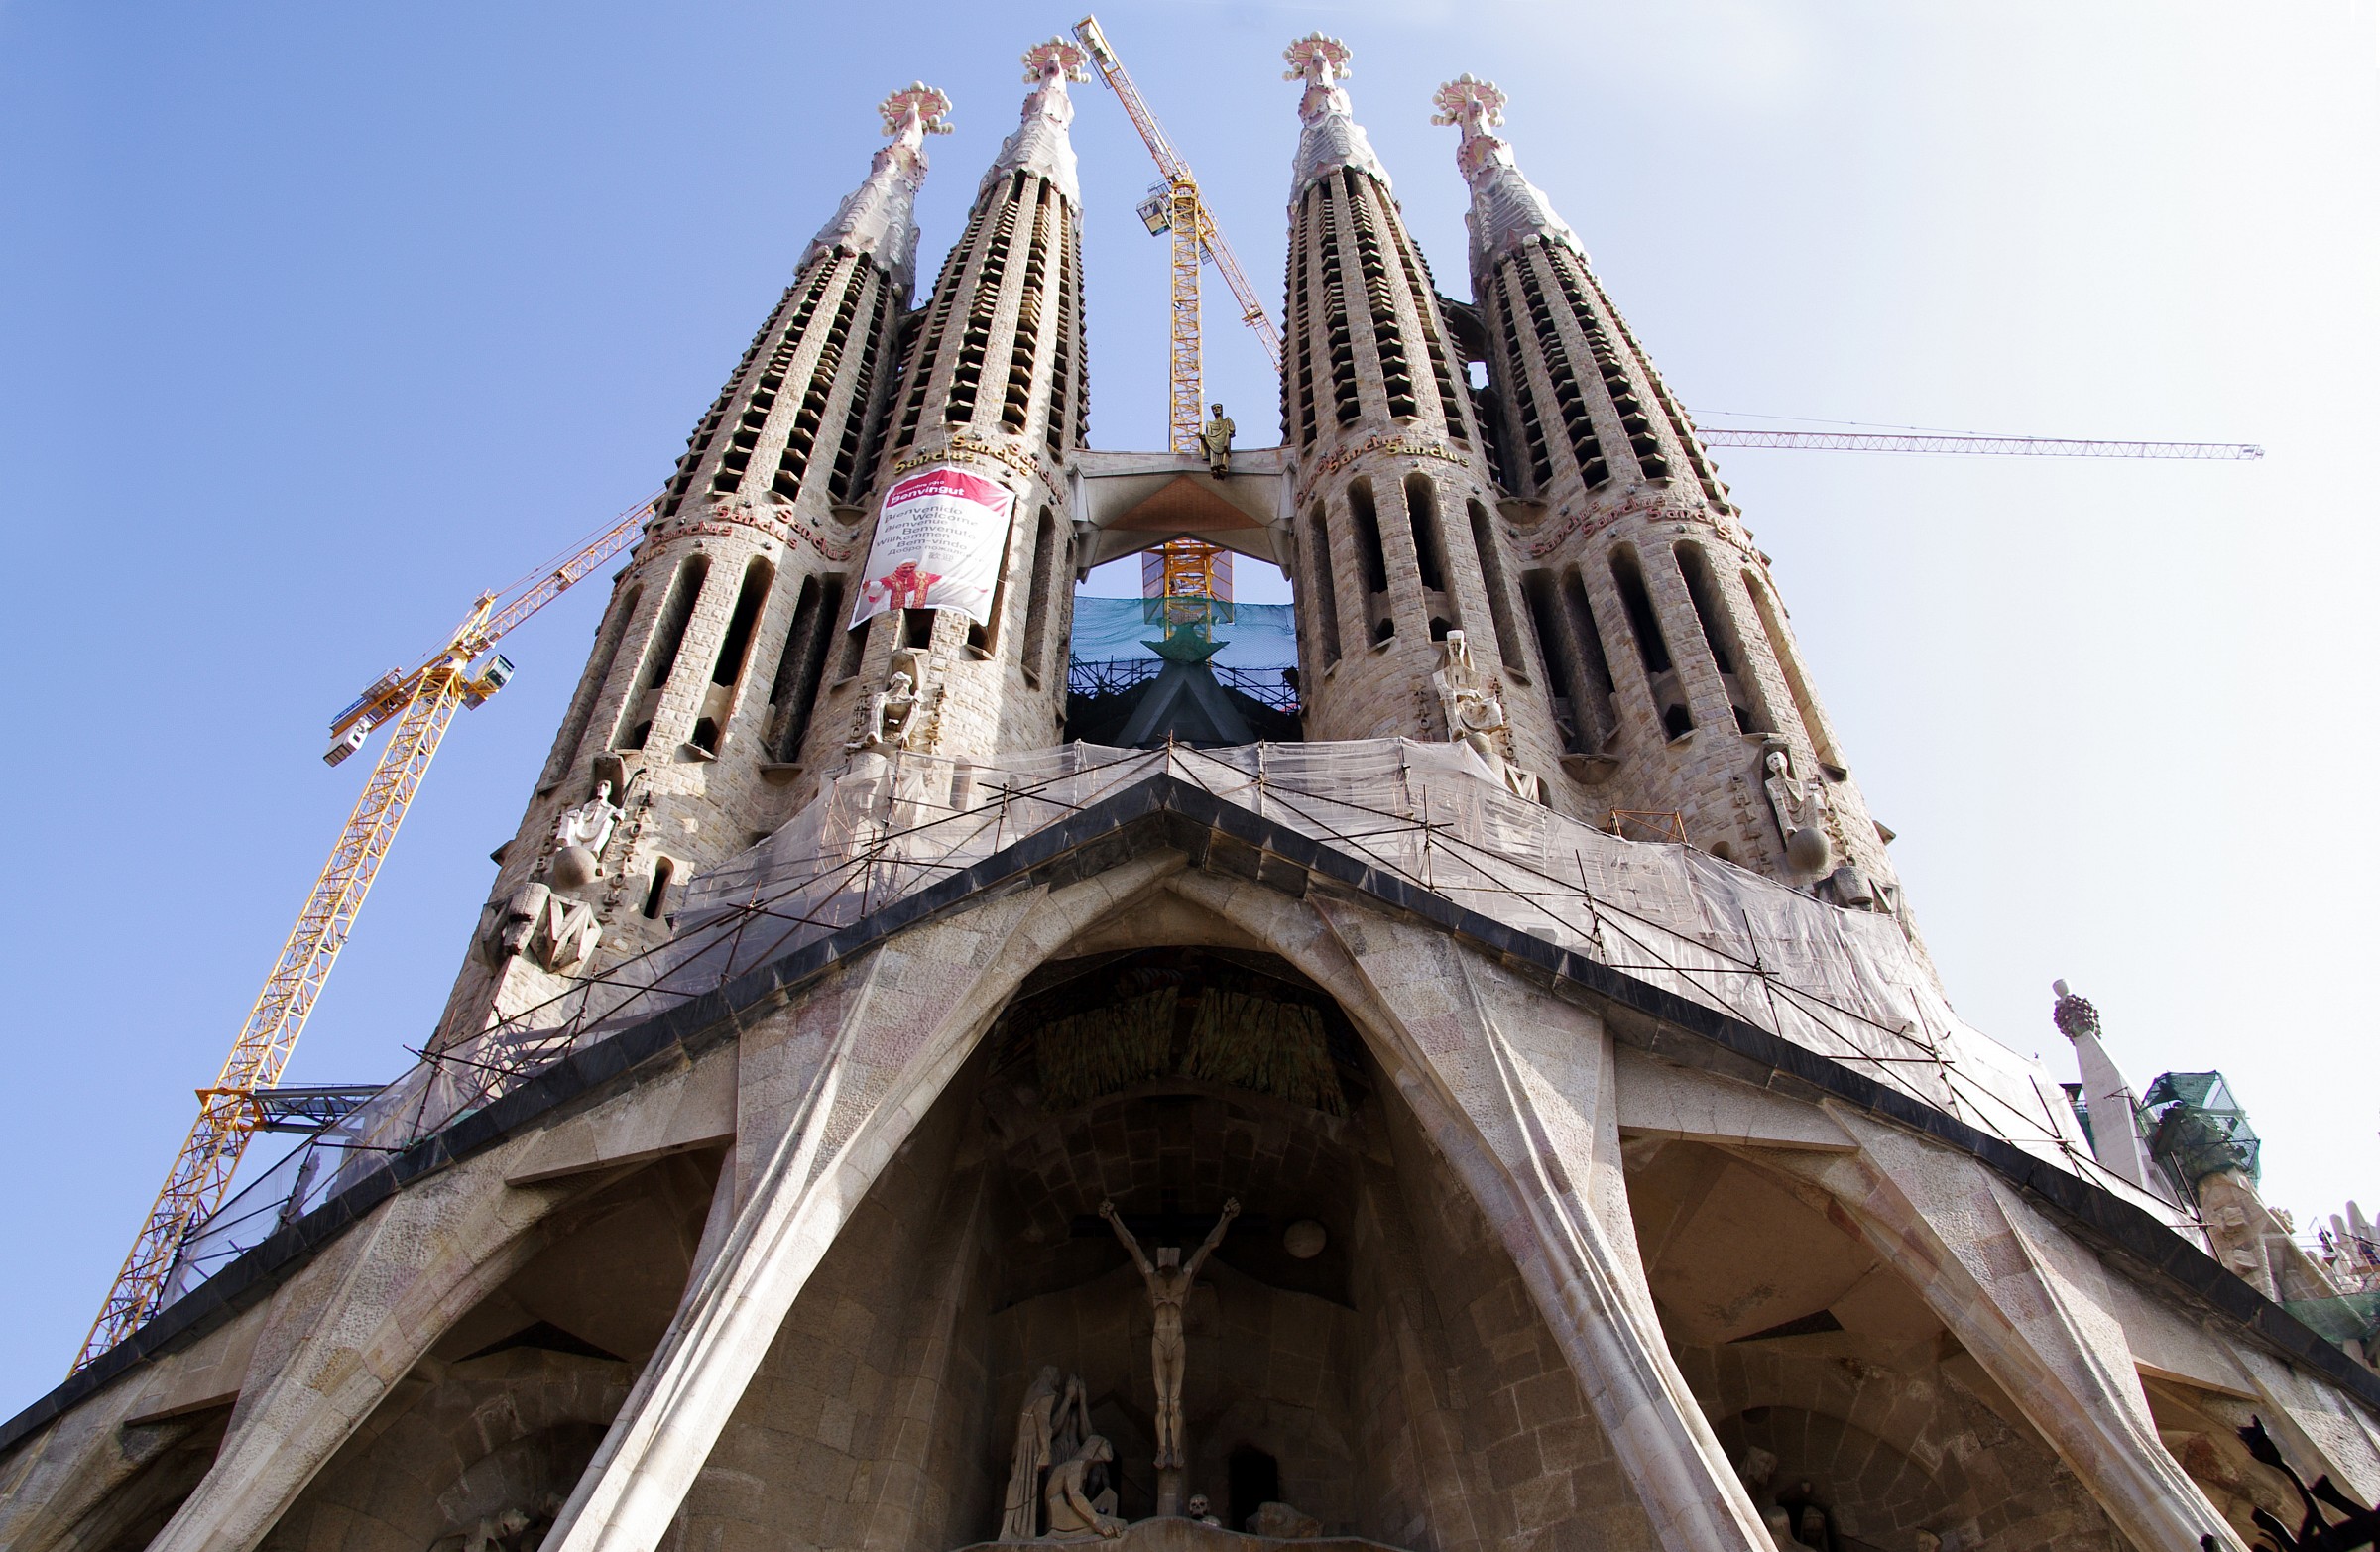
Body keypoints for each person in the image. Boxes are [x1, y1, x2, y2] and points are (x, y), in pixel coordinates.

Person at [1100, 1197, 1241, 1469]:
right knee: (1161, 1402)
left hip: (1176, 1337)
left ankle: (1175, 1452)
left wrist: (1226, 1218)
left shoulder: (1185, 1276)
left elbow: (1208, 1246)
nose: (1164, 1268)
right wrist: (1112, 1218)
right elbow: (1131, 1245)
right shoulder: (1151, 1278)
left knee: (1173, 1402)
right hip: (1159, 1337)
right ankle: (1162, 1451)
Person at [1200, 403, 1235, 476]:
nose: (1216, 409)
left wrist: (1228, 432)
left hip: (1223, 442)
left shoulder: (1227, 421)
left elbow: (1232, 429)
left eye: (1218, 407)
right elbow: (1209, 435)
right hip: (1213, 442)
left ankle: (1223, 465)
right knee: (1211, 443)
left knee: (1225, 442)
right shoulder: (1209, 424)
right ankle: (1214, 468)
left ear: (1221, 409)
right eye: (1214, 408)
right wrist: (1203, 437)